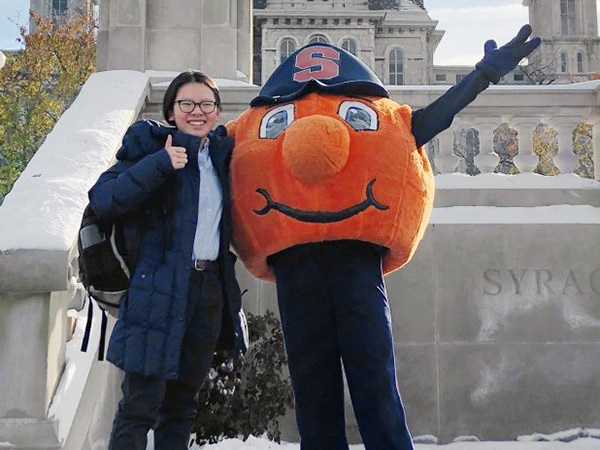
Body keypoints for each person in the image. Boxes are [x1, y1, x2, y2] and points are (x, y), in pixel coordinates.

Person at [226, 26, 540, 449]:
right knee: (312, 391)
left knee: (374, 383)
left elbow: (432, 118)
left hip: (354, 265)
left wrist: (483, 73)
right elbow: (211, 150)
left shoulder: (387, 117)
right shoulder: (248, 128)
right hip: (298, 269)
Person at [88, 71, 248, 450]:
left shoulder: (223, 157)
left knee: (181, 407)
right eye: (187, 104)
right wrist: (160, 163)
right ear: (172, 111)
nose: (197, 111)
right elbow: (105, 199)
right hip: (157, 289)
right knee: (139, 406)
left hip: (206, 291)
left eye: (206, 104)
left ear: (218, 111)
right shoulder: (150, 146)